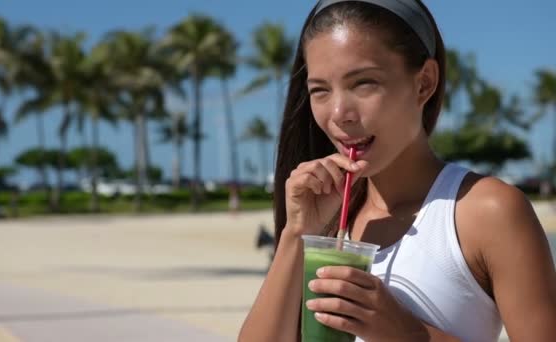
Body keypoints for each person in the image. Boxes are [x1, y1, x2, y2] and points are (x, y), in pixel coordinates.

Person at [238, 0, 556, 341]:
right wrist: (296, 233)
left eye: (363, 83)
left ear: (424, 83)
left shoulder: (485, 212)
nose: (339, 113)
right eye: (320, 90)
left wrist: (410, 334)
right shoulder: (328, 219)